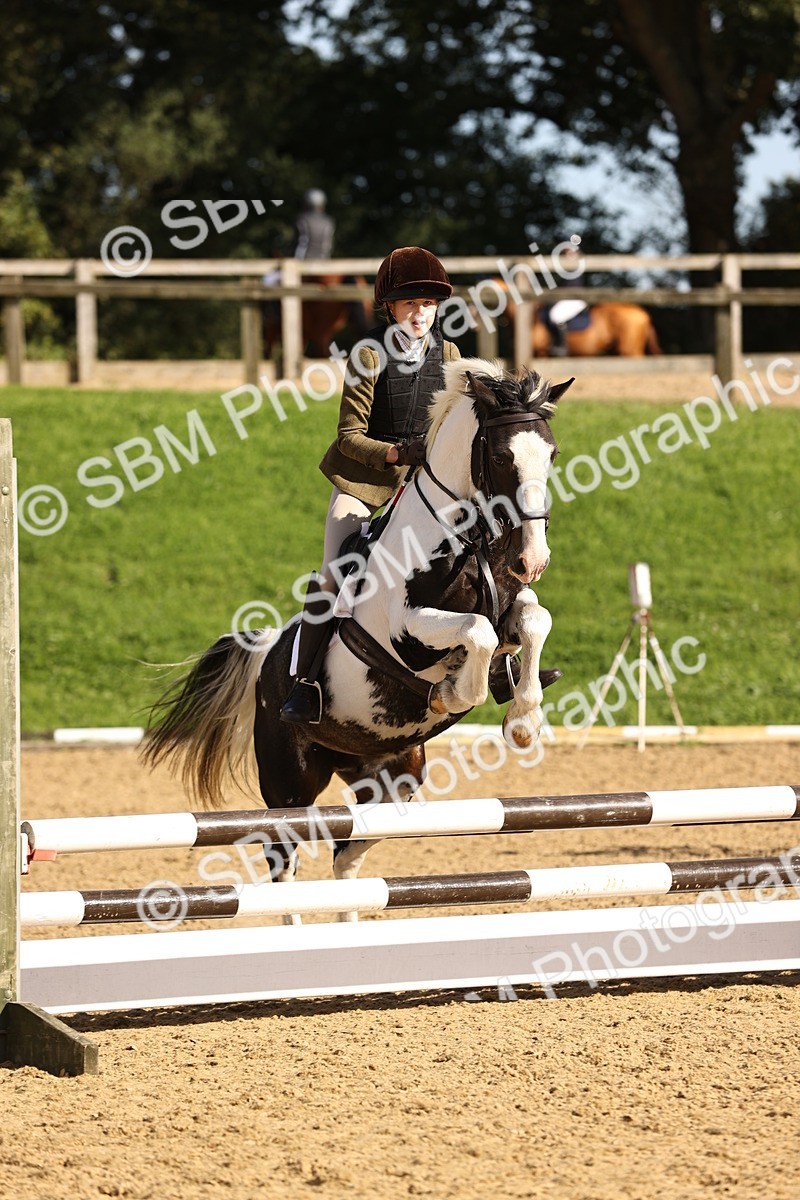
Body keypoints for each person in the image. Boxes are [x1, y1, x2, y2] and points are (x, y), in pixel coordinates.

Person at [280, 245, 460, 724]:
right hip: (365, 484)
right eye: (409, 304)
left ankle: (501, 664)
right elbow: (349, 435)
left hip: (425, 487)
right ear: (391, 308)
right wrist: (397, 453)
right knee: (334, 572)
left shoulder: (449, 354)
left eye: (427, 304)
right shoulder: (367, 353)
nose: (419, 314)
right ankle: (304, 684)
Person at [543, 235, 587, 356]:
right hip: (568, 298)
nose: (568, 252)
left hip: (574, 299)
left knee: (555, 315)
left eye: (571, 249)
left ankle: (560, 346)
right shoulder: (565, 264)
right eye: (567, 249)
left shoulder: (575, 261)